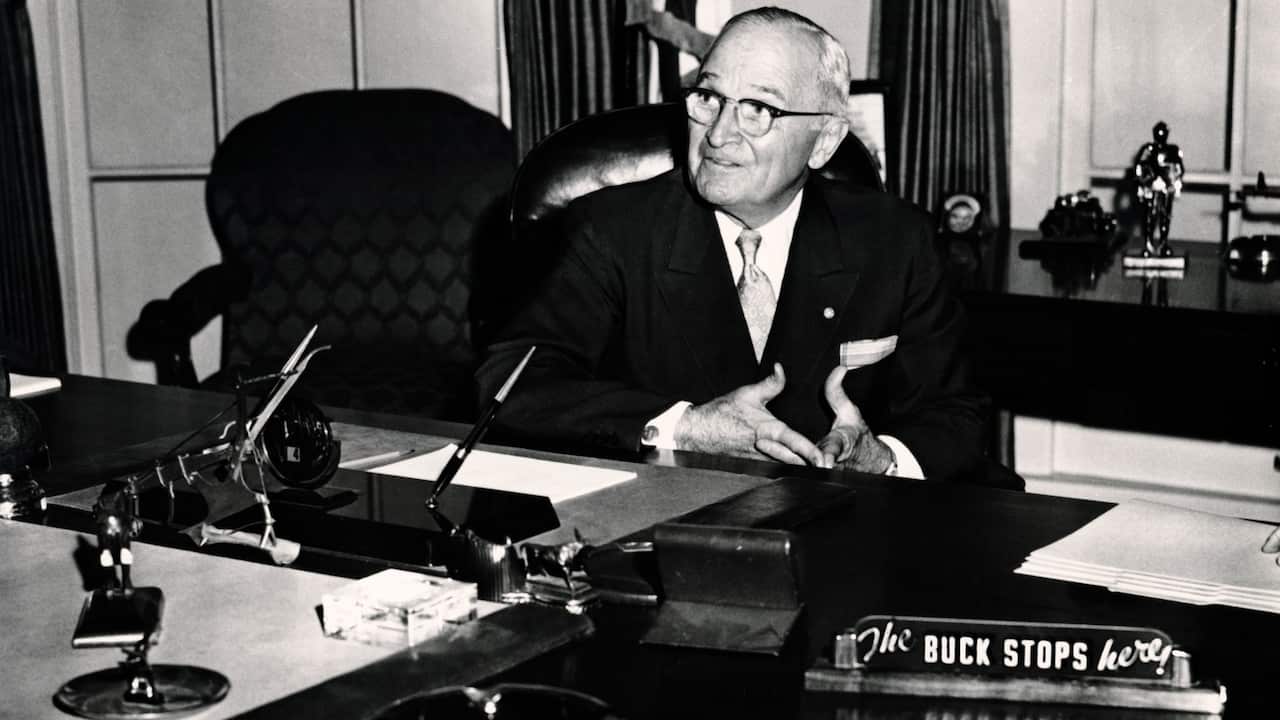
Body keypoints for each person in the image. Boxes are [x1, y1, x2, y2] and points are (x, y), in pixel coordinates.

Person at [476, 8, 988, 483]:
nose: (719, 134)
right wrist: (685, 428)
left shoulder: (895, 239)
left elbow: (956, 414)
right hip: (660, 527)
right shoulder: (609, 229)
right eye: (709, 98)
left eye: (759, 109)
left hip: (841, 533)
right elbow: (509, 386)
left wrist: (881, 458)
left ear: (826, 140)